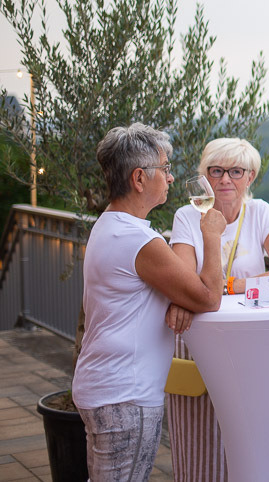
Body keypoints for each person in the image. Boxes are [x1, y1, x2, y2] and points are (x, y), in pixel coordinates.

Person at [72, 123, 225, 481]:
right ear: (140, 179)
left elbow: (176, 290)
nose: (170, 178)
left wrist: (181, 298)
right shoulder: (137, 239)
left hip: (103, 386)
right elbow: (209, 297)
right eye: (166, 169)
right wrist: (212, 235)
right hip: (126, 394)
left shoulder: (108, 225)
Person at [166, 137, 269, 482]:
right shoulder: (187, 216)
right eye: (216, 170)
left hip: (252, 339)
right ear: (204, 175)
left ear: (250, 176)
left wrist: (232, 286)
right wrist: (258, 281)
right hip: (201, 336)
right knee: (199, 432)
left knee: (251, 431)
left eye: (235, 171)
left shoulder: (260, 212)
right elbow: (183, 279)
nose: (225, 179)